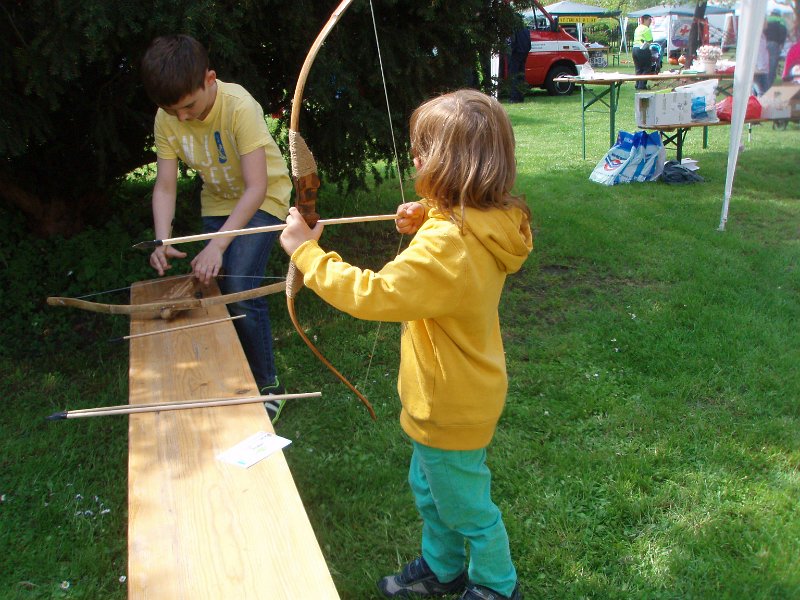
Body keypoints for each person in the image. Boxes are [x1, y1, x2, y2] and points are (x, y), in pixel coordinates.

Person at [279, 89, 532, 600]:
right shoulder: (482, 221)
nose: (413, 158)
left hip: (450, 404)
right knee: (433, 492)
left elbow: (374, 293)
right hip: (454, 396)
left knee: (466, 508)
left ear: (448, 164)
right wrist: (428, 216)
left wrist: (307, 254)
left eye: (423, 150)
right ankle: (443, 568)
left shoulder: (449, 246)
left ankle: (496, 586)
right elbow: (451, 249)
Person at [140, 34, 292, 423]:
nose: (183, 118)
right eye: (173, 111)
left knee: (240, 286)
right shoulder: (167, 118)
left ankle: (269, 386)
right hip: (219, 204)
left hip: (264, 198)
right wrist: (163, 237)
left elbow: (257, 187)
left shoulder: (238, 104)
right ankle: (234, 373)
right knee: (215, 287)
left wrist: (217, 246)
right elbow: (166, 184)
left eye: (189, 106)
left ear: (210, 79)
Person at [508, 17, 532, 103]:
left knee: (513, 76)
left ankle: (514, 97)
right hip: (524, 53)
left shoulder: (514, 29)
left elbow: (513, 42)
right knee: (521, 75)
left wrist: (512, 50)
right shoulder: (525, 29)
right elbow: (529, 43)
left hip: (516, 53)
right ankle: (521, 96)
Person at [764, 10, 788, 90]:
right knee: (772, 65)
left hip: (764, 43)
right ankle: (769, 85)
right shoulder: (781, 21)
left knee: (765, 65)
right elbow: (783, 32)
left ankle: (764, 84)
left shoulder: (767, 19)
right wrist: (781, 43)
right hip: (774, 44)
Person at [632, 15, 654, 90]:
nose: (650, 22)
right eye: (649, 20)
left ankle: (637, 84)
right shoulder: (646, 29)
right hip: (642, 49)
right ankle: (642, 85)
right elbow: (650, 40)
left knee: (638, 68)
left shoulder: (638, 28)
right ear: (644, 20)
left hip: (635, 49)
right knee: (646, 68)